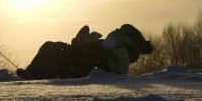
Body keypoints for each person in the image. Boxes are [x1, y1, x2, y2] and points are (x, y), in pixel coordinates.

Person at [16, 24, 153, 80]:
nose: (115, 32)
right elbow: (94, 51)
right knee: (50, 46)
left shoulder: (120, 52)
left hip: (78, 67)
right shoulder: (111, 45)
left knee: (55, 51)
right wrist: (84, 43)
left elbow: (114, 74)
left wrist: (85, 46)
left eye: (119, 32)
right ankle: (32, 73)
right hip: (77, 58)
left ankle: (35, 75)